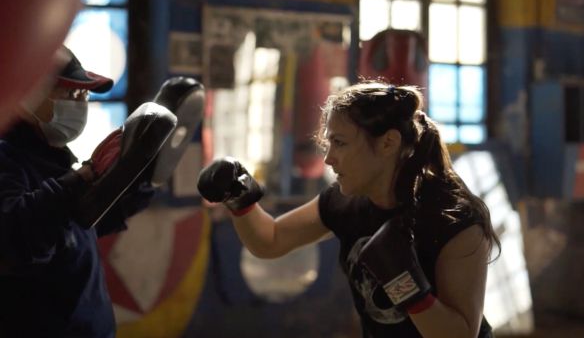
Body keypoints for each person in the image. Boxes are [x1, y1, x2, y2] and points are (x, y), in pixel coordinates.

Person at [198, 80, 501, 338]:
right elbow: (271, 240)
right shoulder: (347, 202)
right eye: (329, 143)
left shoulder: (453, 218)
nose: (329, 159)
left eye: (340, 143)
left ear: (388, 143)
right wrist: (240, 199)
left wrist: (405, 285)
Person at [0, 46, 154, 337]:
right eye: (71, 94)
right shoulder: (8, 159)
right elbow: (15, 236)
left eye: (85, 95)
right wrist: (83, 177)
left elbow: (83, 224)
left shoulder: (55, 158)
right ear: (29, 96)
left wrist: (138, 182)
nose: (82, 104)